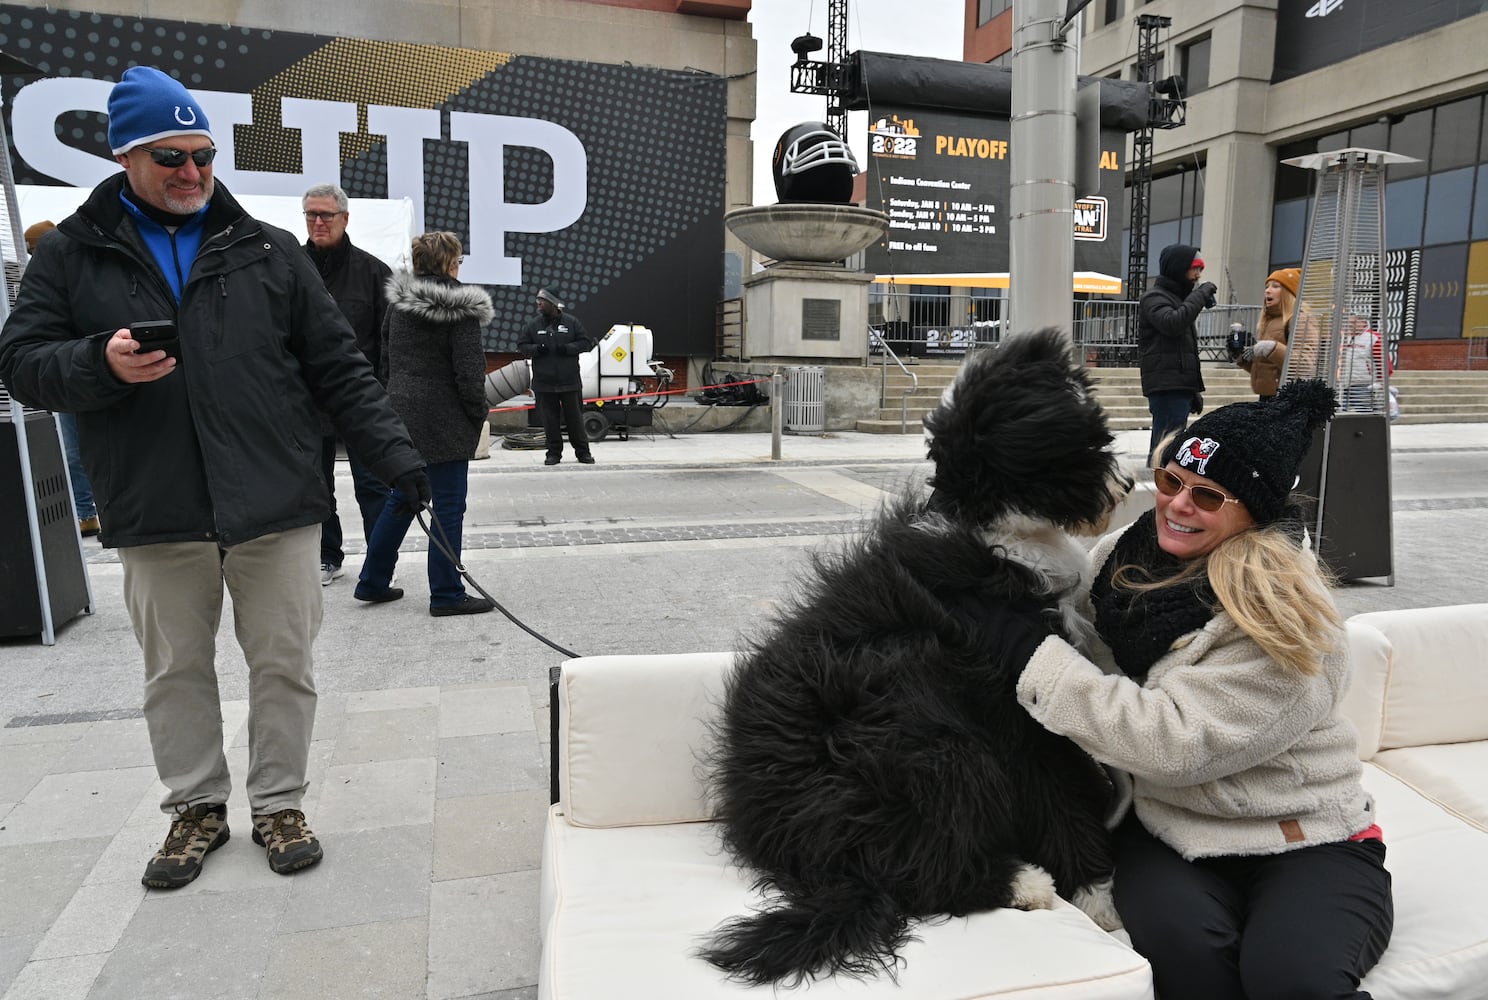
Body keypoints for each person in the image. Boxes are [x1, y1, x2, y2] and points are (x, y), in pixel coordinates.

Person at [0, 67, 429, 889]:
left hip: (275, 504)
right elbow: (21, 363)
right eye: (171, 156)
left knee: (285, 665)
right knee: (176, 671)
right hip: (157, 508)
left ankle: (278, 803)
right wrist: (100, 363)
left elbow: (338, 366)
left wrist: (398, 459)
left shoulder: (265, 248)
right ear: (125, 155)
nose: (192, 172)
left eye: (203, 154)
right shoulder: (73, 257)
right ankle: (196, 807)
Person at [1011, 380, 1394, 999]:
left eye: (1208, 495)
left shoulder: (1285, 616)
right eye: (1170, 481)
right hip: (1168, 830)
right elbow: (1063, 625)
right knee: (1186, 957)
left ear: (1254, 512)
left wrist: (1031, 662)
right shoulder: (1122, 557)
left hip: (1303, 840)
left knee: (1293, 980)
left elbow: (1174, 742)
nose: (1178, 505)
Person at [354, 232, 495, 617]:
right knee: (448, 505)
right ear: (451, 263)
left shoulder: (398, 305)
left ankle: (372, 581)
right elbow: (468, 374)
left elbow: (384, 359)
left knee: (403, 497)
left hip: (400, 413)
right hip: (445, 419)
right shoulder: (460, 307)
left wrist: (392, 402)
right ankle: (447, 594)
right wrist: (476, 412)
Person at [302, 182, 393, 585]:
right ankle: (326, 555)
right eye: (311, 215)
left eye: (326, 215)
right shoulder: (291, 268)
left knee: (374, 487)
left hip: (362, 399)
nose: (318, 222)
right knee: (315, 486)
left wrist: (385, 394)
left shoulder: (374, 272)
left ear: (345, 218)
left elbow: (390, 341)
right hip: (307, 399)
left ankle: (379, 563)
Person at [24, 219, 100, 538]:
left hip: (79, 372)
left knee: (79, 449)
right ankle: (86, 513)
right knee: (76, 449)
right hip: (74, 372)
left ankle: (88, 511)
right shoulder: (54, 278)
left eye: (33, 250)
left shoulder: (72, 276)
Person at [1138, 243, 1216, 458]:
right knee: (1165, 445)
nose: (1198, 274)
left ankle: (1165, 483)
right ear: (1178, 267)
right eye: (1195, 268)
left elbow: (1184, 351)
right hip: (1165, 385)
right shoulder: (1154, 298)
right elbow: (1172, 324)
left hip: (1178, 384)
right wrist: (1201, 294)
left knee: (1172, 445)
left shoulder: (1178, 300)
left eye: (1201, 269)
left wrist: (1193, 389)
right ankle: (1160, 484)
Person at [519, 288, 595, 466]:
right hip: (544, 383)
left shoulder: (571, 322)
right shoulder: (533, 325)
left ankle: (583, 453)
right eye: (537, 300)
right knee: (550, 421)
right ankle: (553, 453)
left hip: (569, 382)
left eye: (542, 300)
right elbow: (522, 345)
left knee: (574, 419)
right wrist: (536, 350)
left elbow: (585, 342)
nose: (538, 303)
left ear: (553, 304)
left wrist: (568, 349)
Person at [1235, 267, 1300, 400]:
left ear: (1289, 292)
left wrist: (1270, 348)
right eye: (1267, 286)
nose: (1267, 290)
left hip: (1288, 397)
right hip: (1266, 397)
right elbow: (1266, 369)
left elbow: (1304, 365)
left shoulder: (1300, 319)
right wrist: (1240, 356)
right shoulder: (1267, 321)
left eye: (1275, 286)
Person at [1339, 313, 1387, 413]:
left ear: (1363, 323)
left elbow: (1384, 363)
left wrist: (1381, 382)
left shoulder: (1373, 338)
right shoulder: (1344, 337)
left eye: (1353, 322)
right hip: (1342, 384)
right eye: (1349, 322)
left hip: (1363, 384)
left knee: (1364, 413)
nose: (1350, 325)